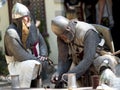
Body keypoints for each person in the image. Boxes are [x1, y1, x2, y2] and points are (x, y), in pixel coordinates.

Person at [50, 16, 119, 88]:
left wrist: (68, 76)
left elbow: (88, 60)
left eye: (64, 35)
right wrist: (58, 73)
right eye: (61, 37)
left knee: (104, 65)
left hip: (98, 62)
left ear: (68, 29)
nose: (64, 38)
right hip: (79, 63)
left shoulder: (87, 32)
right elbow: (64, 60)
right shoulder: (61, 37)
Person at [4, 3, 48, 88]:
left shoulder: (32, 27)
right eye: (24, 18)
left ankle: (38, 85)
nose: (27, 19)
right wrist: (38, 60)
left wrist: (43, 56)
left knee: (35, 63)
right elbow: (20, 56)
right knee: (32, 64)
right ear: (17, 20)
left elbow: (42, 43)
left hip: (31, 59)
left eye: (28, 16)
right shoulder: (11, 33)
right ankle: (25, 87)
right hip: (16, 63)